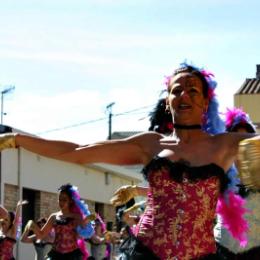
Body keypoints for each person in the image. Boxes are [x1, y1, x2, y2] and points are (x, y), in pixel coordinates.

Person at [1, 63, 260, 259]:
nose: (184, 95)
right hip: (147, 253)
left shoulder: (226, 144)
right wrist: (16, 140)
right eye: (176, 90)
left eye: (193, 90)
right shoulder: (150, 144)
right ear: (168, 103)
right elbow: (78, 150)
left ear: (205, 102)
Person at [215, 107, 260, 260]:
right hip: (223, 249)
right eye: (236, 139)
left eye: (245, 139)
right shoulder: (218, 171)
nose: (240, 145)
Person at [25, 184, 94, 260]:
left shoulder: (76, 216)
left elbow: (83, 232)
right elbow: (41, 235)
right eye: (60, 199)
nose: (61, 202)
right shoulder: (53, 217)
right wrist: (31, 224)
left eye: (64, 200)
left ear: (70, 201)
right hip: (56, 255)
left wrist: (87, 220)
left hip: (72, 255)